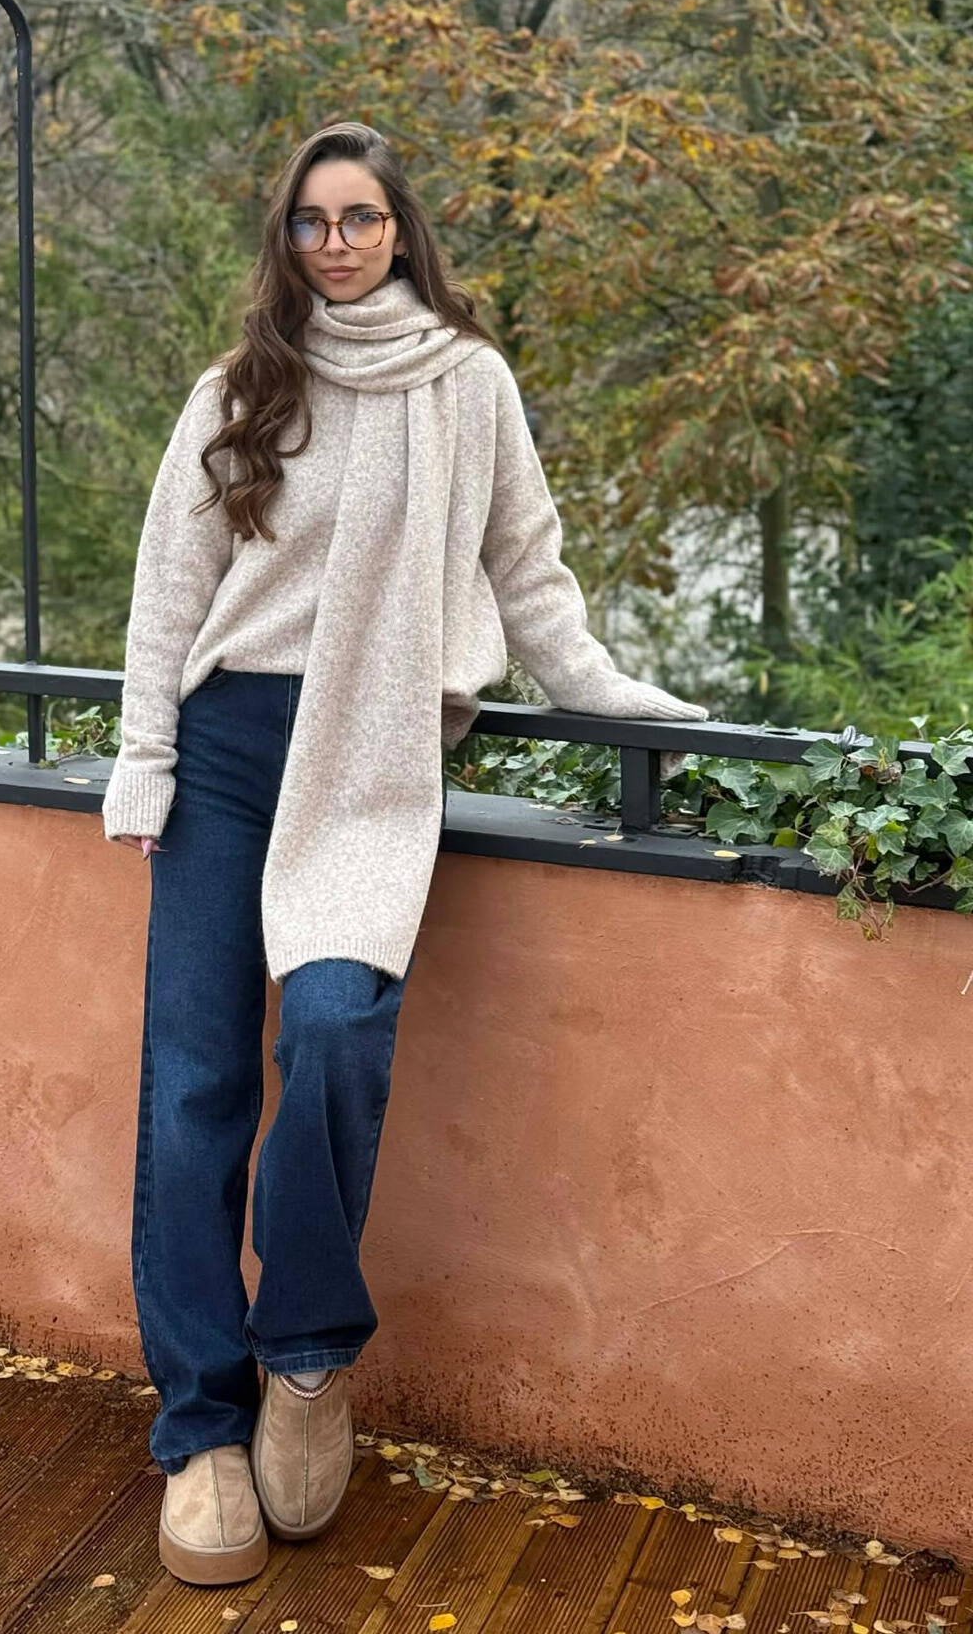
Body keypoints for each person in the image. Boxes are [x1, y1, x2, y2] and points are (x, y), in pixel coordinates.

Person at [100, 120, 710, 1587]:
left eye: (360, 218)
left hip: (374, 752)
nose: (337, 244)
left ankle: (307, 1357)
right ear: (287, 238)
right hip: (227, 752)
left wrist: (614, 696)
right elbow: (170, 588)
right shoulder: (239, 388)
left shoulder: (466, 382)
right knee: (192, 1083)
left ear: (400, 229)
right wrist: (146, 754)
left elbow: (526, 568)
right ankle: (200, 1431)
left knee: (332, 1030)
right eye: (312, 222)